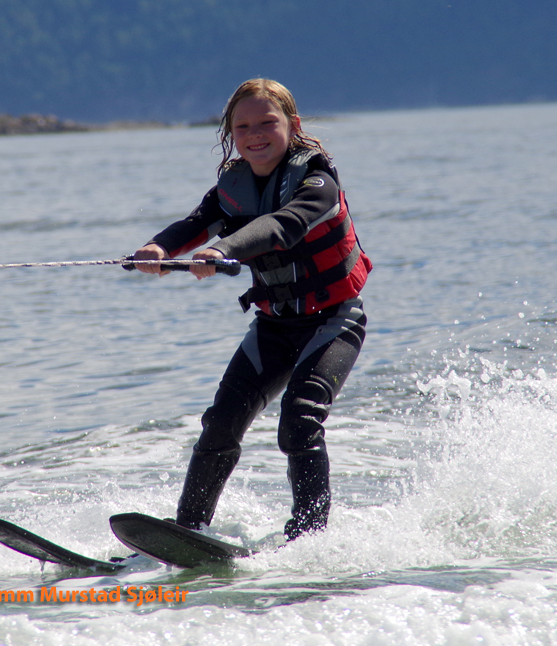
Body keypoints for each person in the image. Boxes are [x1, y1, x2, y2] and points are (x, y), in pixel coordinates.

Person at [132, 79, 372, 541]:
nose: (254, 134)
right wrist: (157, 249)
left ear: (293, 125)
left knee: (299, 421)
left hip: (334, 322)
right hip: (274, 327)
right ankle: (189, 530)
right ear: (230, 133)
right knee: (221, 422)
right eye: (242, 126)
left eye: (267, 123)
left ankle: (310, 539)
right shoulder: (233, 188)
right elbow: (195, 224)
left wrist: (222, 250)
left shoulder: (318, 183)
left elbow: (283, 225)